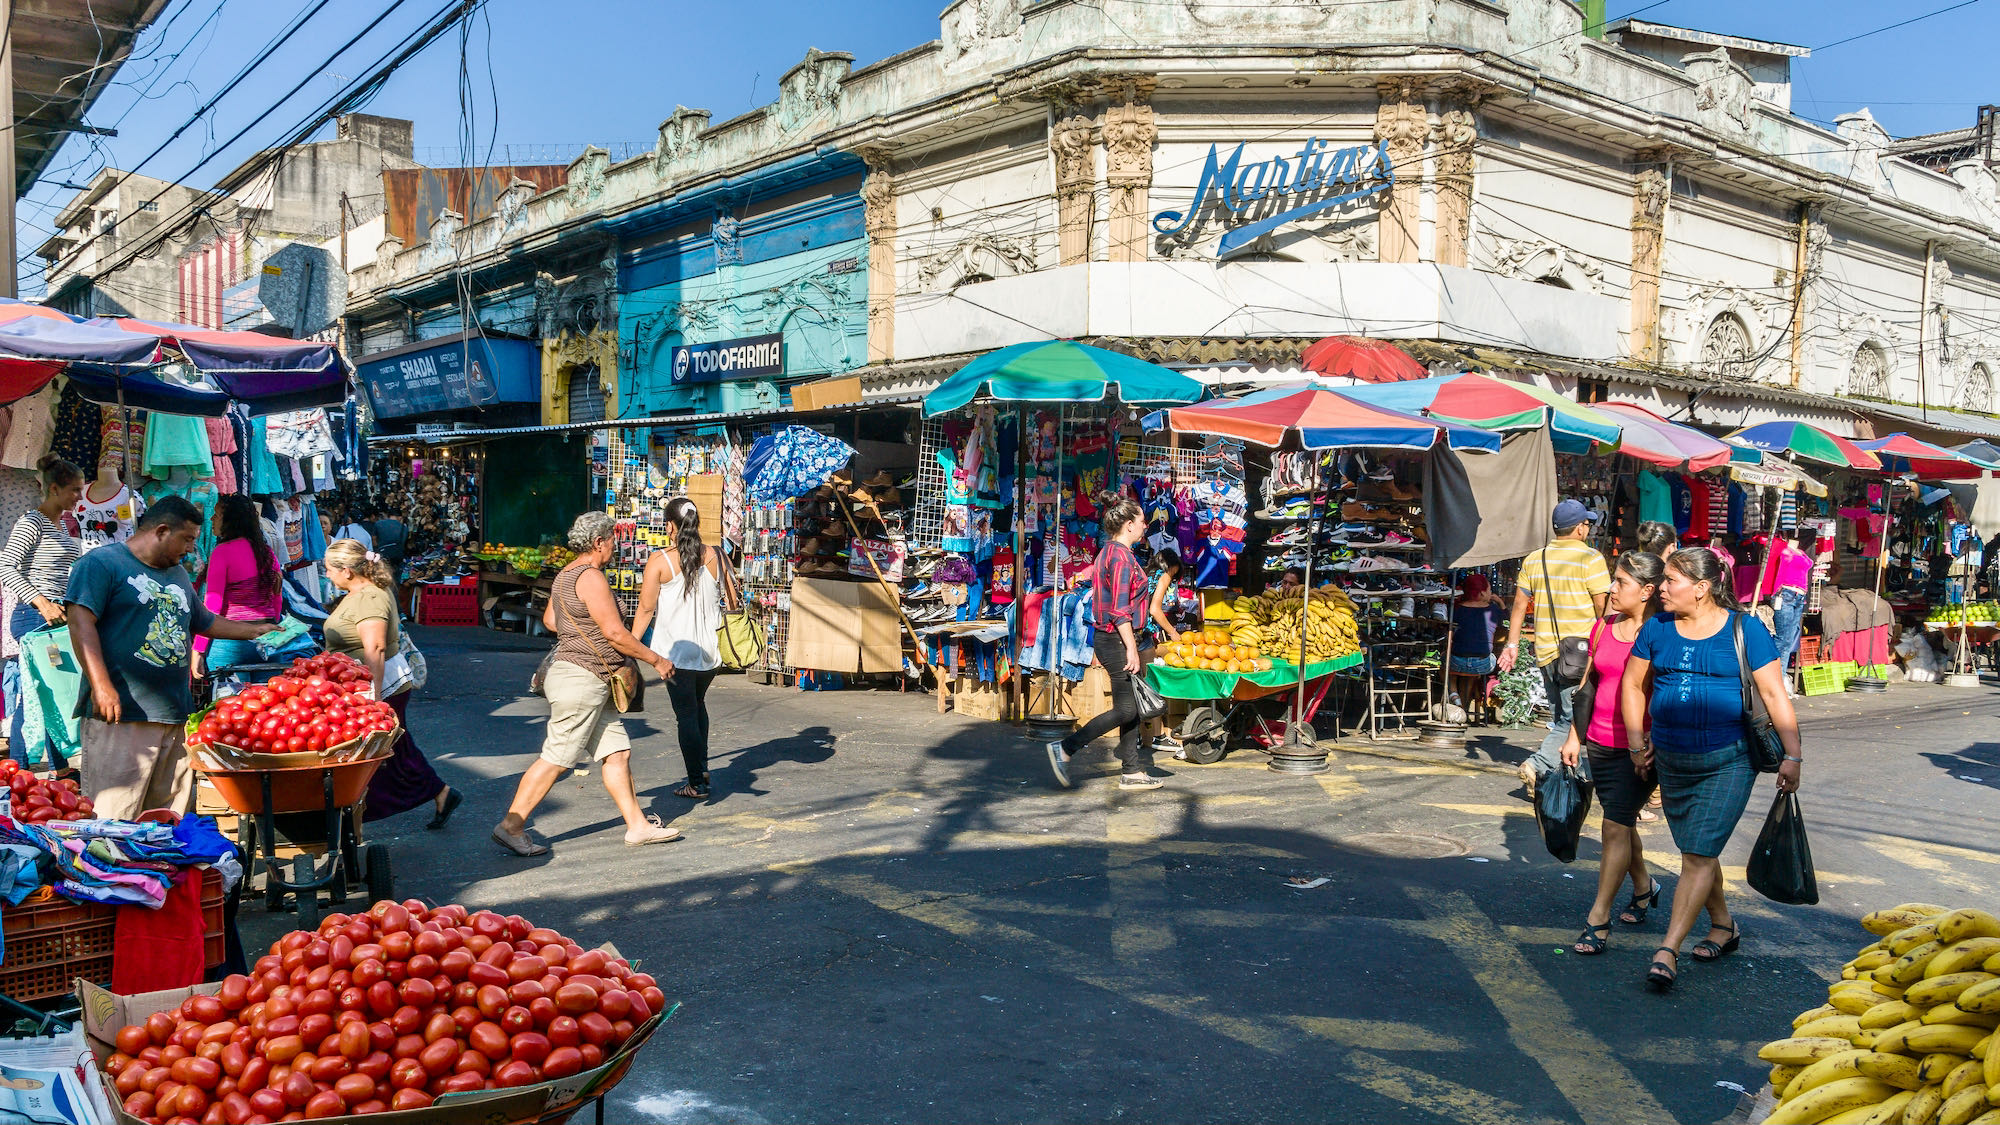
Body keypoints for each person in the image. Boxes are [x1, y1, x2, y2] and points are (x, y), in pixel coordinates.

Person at [1621, 547, 1803, 993]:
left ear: (1702, 588)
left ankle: (1668, 949)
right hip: (1671, 758)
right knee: (1697, 850)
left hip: (1729, 759)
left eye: (1670, 581)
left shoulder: (1747, 630)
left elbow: (1775, 696)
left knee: (1698, 854)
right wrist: (1634, 740)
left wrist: (1793, 754)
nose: (1660, 589)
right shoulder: (1657, 629)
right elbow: (1632, 684)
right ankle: (1723, 925)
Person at [66, 497, 278, 819]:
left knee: (167, 818)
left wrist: (256, 630)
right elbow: (80, 622)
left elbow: (203, 621)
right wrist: (101, 686)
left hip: (174, 715)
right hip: (124, 714)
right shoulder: (101, 564)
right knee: (113, 817)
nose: (192, 548)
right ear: (162, 531)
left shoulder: (177, 573)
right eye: (188, 539)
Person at [496, 512, 680, 854]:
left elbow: (552, 621)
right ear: (599, 542)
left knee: (618, 752)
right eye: (612, 540)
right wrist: (656, 659)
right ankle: (511, 825)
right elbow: (614, 633)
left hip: (583, 677)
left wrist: (579, 627)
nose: (615, 546)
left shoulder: (566, 575)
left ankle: (637, 826)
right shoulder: (592, 577)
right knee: (557, 757)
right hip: (583, 679)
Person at [1562, 551, 1666, 956]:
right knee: (1621, 825)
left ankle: (1598, 918)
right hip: (1600, 744)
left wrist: (1652, 740)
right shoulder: (1602, 627)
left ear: (1646, 591)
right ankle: (1644, 888)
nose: (1611, 588)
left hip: (1640, 748)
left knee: (1614, 827)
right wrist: (1574, 736)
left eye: (1621, 582)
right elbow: (1588, 686)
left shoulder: (1662, 633)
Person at [323, 539, 460, 829]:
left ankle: (361, 810)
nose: (326, 575)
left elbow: (376, 649)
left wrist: (373, 698)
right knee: (398, 748)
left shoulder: (369, 597)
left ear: (347, 571)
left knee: (388, 751)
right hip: (369, 682)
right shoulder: (362, 591)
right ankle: (440, 793)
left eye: (329, 570)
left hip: (379, 683)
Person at [1044, 494, 1159, 791]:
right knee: (1126, 709)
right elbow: (1120, 610)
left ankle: (1132, 770)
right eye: (1143, 522)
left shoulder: (1107, 552)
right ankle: (1066, 747)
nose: (1146, 526)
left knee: (1130, 704)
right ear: (1130, 525)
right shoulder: (1120, 557)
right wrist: (1131, 648)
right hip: (1116, 638)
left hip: (1111, 638)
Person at [1498, 500, 1611, 792]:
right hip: (1580, 655)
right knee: (1572, 720)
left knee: (1563, 716)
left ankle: (1566, 779)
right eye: (1586, 523)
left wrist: (1512, 644)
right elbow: (1603, 609)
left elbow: (1520, 604)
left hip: (1546, 651)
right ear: (1578, 528)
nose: (1588, 528)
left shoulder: (1536, 559)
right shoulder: (1591, 559)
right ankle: (1538, 765)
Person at [631, 498, 738, 801]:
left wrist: (631, 645)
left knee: (687, 714)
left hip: (675, 654)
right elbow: (732, 602)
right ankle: (701, 770)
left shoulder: (660, 560)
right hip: (710, 651)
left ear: (670, 525)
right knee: (697, 706)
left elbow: (645, 608)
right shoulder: (718, 554)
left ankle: (697, 782)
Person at [0, 455, 83, 765]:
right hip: (33, 618)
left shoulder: (62, 524)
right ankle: (21, 770)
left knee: (54, 694)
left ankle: (54, 769)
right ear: (53, 489)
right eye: (74, 490)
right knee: (39, 694)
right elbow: (5, 566)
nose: (78, 496)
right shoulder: (31, 521)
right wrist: (43, 603)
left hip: (56, 619)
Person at [192, 495, 284, 681]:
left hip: (230, 642)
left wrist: (198, 649)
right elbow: (276, 599)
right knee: (267, 705)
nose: (212, 519)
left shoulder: (222, 552)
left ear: (230, 520)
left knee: (231, 704)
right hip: (269, 639)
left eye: (216, 515)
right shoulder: (266, 552)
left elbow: (212, 605)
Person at [1449, 575, 1500, 725]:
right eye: (1490, 590)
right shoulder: (1494, 610)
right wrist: (1500, 602)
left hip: (1457, 662)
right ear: (1483, 593)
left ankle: (1454, 696)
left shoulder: (1456, 610)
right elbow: (1506, 619)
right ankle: (1463, 708)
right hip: (1483, 664)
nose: (1491, 593)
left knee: (1446, 666)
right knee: (1473, 672)